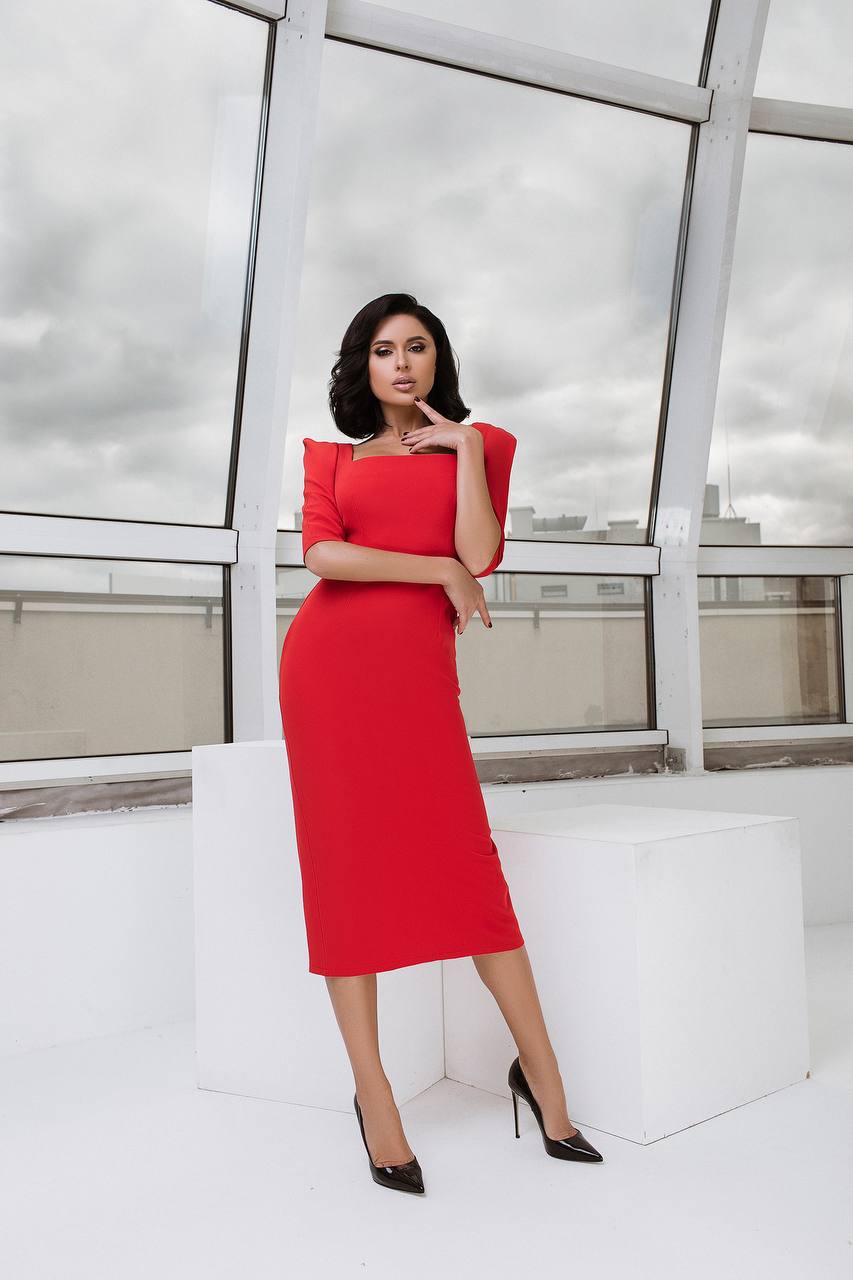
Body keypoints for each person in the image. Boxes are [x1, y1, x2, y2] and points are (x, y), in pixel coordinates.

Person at [279, 293, 602, 1194]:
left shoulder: (481, 446)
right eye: (383, 350)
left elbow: (482, 548)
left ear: (437, 359)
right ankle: (374, 1097)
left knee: (467, 868)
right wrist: (435, 570)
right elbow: (322, 558)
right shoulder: (331, 460)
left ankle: (543, 1082)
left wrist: (461, 452)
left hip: (417, 682)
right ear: (363, 365)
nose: (402, 364)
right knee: (346, 875)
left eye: (417, 347)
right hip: (328, 671)